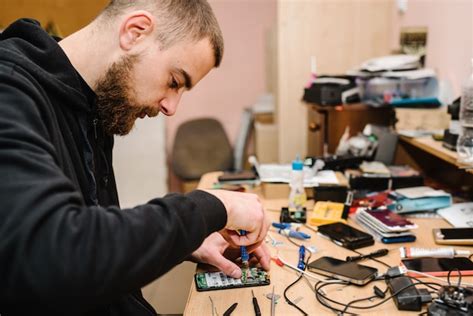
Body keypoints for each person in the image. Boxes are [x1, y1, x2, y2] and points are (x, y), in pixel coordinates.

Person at [0, 1, 270, 315]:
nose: (171, 107)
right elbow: (56, 256)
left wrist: (187, 242)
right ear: (135, 32)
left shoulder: (96, 106)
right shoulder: (10, 92)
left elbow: (92, 235)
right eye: (174, 81)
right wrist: (211, 207)